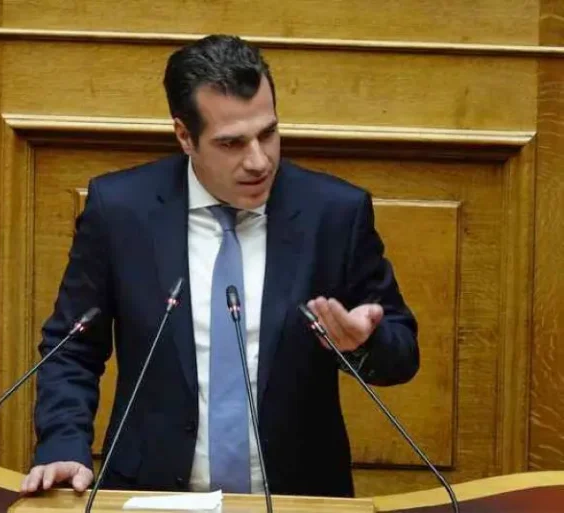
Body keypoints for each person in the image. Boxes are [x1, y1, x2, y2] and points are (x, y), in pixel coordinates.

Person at [21, 34, 418, 498]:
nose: (259, 161)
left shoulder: (334, 214)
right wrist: (63, 444)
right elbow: (71, 347)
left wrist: (364, 343)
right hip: (151, 496)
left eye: (268, 134)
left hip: (296, 499)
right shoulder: (121, 211)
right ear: (184, 136)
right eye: (231, 143)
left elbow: (402, 352)